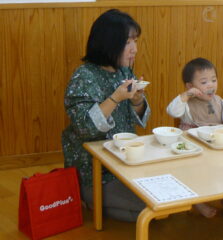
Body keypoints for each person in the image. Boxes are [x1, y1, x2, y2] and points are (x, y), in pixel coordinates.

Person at [62, 9, 151, 222]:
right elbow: (85, 128)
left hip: (124, 161)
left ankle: (100, 205)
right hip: (95, 172)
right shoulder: (83, 77)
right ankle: (91, 197)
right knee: (147, 208)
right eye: (129, 42)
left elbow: (138, 118)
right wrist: (115, 98)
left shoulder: (123, 72)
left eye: (135, 41)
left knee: (162, 198)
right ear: (110, 43)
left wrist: (137, 99)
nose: (135, 50)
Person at [166, 57, 223, 218]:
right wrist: (185, 96)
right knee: (193, 176)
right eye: (204, 82)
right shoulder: (186, 104)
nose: (211, 85)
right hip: (194, 147)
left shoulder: (219, 102)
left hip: (216, 146)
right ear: (191, 87)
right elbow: (172, 111)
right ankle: (198, 203)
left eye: (214, 80)